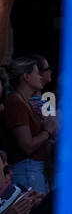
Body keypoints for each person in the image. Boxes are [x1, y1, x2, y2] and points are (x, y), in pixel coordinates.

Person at [2, 58, 54, 195]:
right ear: (26, 77)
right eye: (37, 73)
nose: (41, 77)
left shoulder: (27, 103)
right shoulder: (15, 102)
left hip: (35, 170)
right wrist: (47, 131)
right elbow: (27, 145)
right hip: (26, 171)